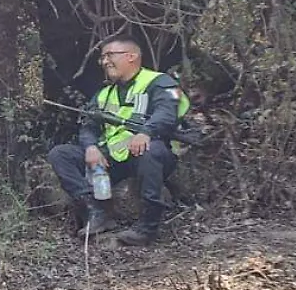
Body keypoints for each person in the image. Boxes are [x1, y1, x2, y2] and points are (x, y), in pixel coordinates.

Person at [46, 37, 191, 246]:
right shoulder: (105, 93)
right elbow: (89, 125)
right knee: (61, 154)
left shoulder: (159, 82)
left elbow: (167, 113)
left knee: (150, 151)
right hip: (111, 159)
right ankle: (98, 210)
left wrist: (146, 132)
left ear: (131, 56)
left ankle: (148, 227)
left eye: (110, 55)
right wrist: (91, 147)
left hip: (147, 155)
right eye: (102, 57)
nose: (105, 62)